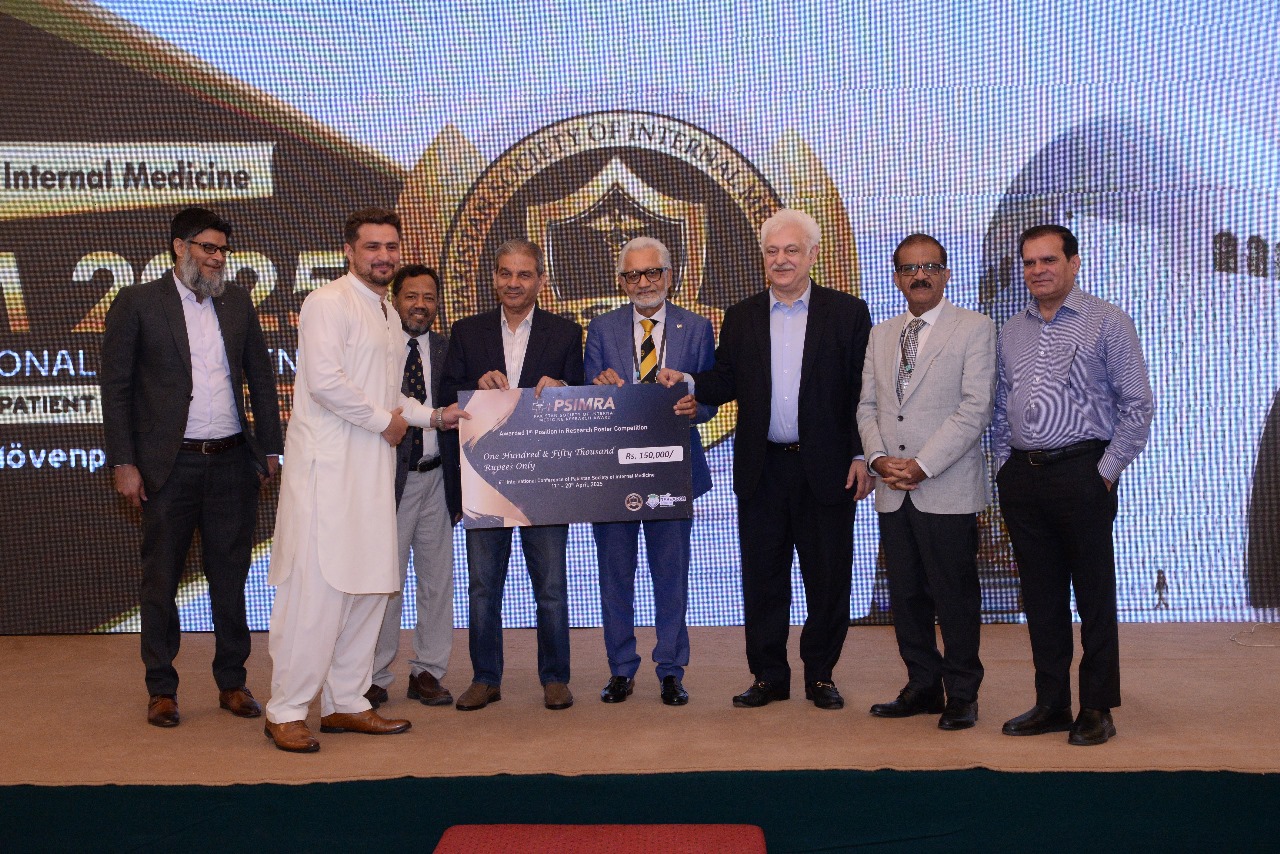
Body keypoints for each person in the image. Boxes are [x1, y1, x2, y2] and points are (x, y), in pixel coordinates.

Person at [264, 208, 465, 752]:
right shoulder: (327, 302)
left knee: (371, 587)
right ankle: (286, 709)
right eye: (373, 246)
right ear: (349, 251)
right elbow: (325, 382)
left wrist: (433, 417)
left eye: (391, 246)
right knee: (319, 595)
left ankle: (346, 703)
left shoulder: (385, 313)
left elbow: (389, 393)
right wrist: (386, 422)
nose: (383, 256)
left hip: (374, 473)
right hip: (329, 473)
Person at [658, 208, 873, 710]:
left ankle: (821, 676)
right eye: (772, 251)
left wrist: (862, 452)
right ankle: (769, 676)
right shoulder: (742, 316)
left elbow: (862, 391)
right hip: (763, 470)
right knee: (763, 580)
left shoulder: (848, 313)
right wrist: (687, 381)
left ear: (813, 255)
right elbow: (725, 379)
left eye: (792, 250)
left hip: (828, 469)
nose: (781, 260)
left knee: (828, 579)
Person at [101, 206, 282, 729]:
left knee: (230, 578)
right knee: (161, 581)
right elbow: (116, 389)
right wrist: (124, 461)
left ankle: (233, 682)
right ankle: (162, 688)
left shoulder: (237, 302)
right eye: (208, 247)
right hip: (168, 467)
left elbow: (261, 378)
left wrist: (270, 449)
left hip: (232, 463)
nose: (217, 258)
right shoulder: (138, 302)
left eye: (222, 249)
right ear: (179, 247)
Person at [993, 224, 1153, 746]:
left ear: (1074, 263)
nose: (1038, 270)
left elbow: (1137, 406)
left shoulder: (1108, 321)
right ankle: (1052, 703)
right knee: (1040, 597)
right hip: (1023, 477)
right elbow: (1001, 407)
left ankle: (1098, 708)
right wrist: (1004, 466)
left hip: (1083, 472)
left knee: (1093, 597)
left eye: (1049, 260)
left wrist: (1104, 473)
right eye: (1029, 262)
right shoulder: (1011, 330)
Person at [856, 234, 996, 730]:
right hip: (893, 489)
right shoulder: (880, 334)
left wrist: (923, 464)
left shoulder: (975, 328)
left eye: (931, 267)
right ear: (897, 278)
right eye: (910, 269)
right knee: (907, 595)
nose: (920, 276)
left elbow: (975, 408)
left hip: (945, 485)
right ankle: (922, 685)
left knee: (954, 596)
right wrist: (878, 459)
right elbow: (867, 406)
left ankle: (963, 693)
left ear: (946, 274)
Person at [441, 239, 585, 711]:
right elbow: (446, 397)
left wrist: (564, 390)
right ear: (494, 278)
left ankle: (556, 678)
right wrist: (473, 386)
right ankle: (485, 678)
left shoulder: (565, 334)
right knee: (483, 587)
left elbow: (583, 402)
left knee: (552, 588)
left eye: (524, 275)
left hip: (544, 482)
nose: (514, 283)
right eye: (506, 273)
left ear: (541, 280)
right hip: (485, 478)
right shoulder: (467, 332)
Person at [584, 237, 716, 706]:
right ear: (622, 281)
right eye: (633, 275)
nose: (643, 282)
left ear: (669, 275)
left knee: (671, 575)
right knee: (614, 575)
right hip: (614, 473)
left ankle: (671, 670)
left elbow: (711, 399)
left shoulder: (697, 328)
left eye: (652, 272)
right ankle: (620, 669)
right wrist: (597, 386)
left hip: (672, 472)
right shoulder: (600, 329)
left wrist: (695, 404)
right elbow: (585, 399)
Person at [366, 264, 462, 709]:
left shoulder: (448, 349)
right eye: (411, 296)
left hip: (438, 479)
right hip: (388, 483)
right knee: (385, 583)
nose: (420, 305)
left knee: (437, 581)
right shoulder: (376, 347)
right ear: (393, 300)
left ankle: (428, 671)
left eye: (428, 297)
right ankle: (374, 675)